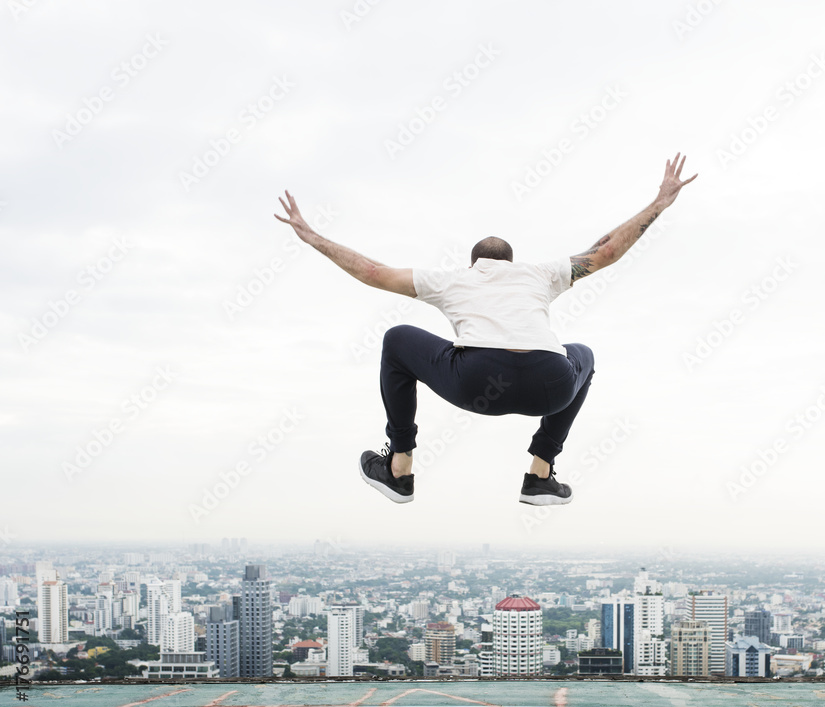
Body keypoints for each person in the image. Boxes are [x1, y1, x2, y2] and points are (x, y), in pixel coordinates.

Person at [275, 153, 697, 505]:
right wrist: (659, 203)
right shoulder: (541, 273)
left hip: (476, 382)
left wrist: (313, 238)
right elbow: (604, 251)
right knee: (582, 354)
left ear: (473, 264)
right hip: (549, 384)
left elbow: (372, 271)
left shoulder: (454, 280)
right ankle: (540, 474)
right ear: (512, 264)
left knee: (396, 339)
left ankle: (399, 469)